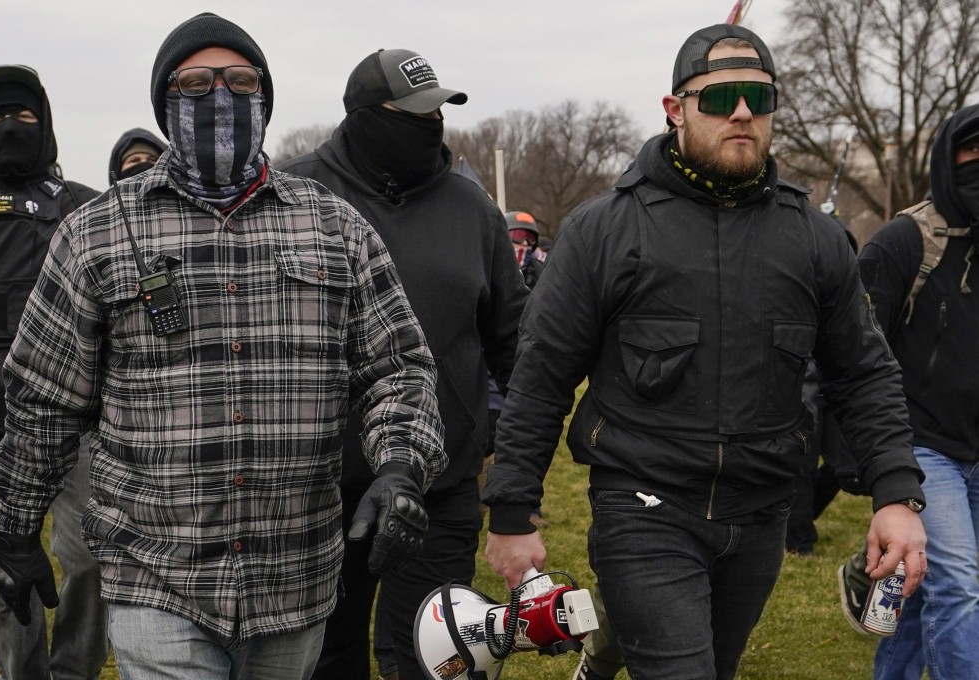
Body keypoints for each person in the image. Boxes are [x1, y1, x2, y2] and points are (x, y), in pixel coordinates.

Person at [0, 14, 446, 680]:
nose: (219, 97)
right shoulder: (99, 232)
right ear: (165, 103)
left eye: (239, 81)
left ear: (264, 97)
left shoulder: (333, 225)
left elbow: (397, 369)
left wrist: (401, 465)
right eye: (195, 83)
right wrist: (18, 525)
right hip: (157, 575)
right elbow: (44, 398)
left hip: (297, 578)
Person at [482, 23, 927, 680]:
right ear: (675, 110)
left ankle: (604, 660)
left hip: (762, 514)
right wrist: (513, 509)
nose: (743, 112)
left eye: (759, 97)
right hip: (643, 508)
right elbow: (541, 374)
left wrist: (896, 494)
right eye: (720, 99)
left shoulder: (817, 238)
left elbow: (864, 373)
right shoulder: (605, 229)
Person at [278, 48, 527, 680]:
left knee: (433, 657)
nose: (431, 125)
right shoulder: (295, 196)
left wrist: (494, 434)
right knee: (324, 660)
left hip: (438, 486)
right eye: (413, 113)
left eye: (438, 111)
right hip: (317, 491)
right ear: (363, 116)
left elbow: (513, 343)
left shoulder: (473, 210)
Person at [0, 64, 108, 680]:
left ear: (45, 123)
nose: (8, 126)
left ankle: (74, 670)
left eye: (21, 114)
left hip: (76, 425)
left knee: (87, 559)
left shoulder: (85, 211)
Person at [835, 104, 979, 680]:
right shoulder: (902, 243)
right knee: (962, 587)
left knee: (924, 586)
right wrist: (856, 456)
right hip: (921, 447)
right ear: (947, 156)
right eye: (971, 151)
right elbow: (851, 353)